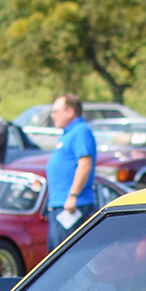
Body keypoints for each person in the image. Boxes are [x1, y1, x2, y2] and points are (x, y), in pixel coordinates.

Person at [45, 93, 99, 251]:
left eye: (56, 111)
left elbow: (85, 164)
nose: (52, 115)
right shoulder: (67, 133)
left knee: (65, 259)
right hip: (60, 204)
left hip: (72, 206)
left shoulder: (80, 131)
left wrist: (73, 195)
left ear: (69, 112)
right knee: (54, 256)